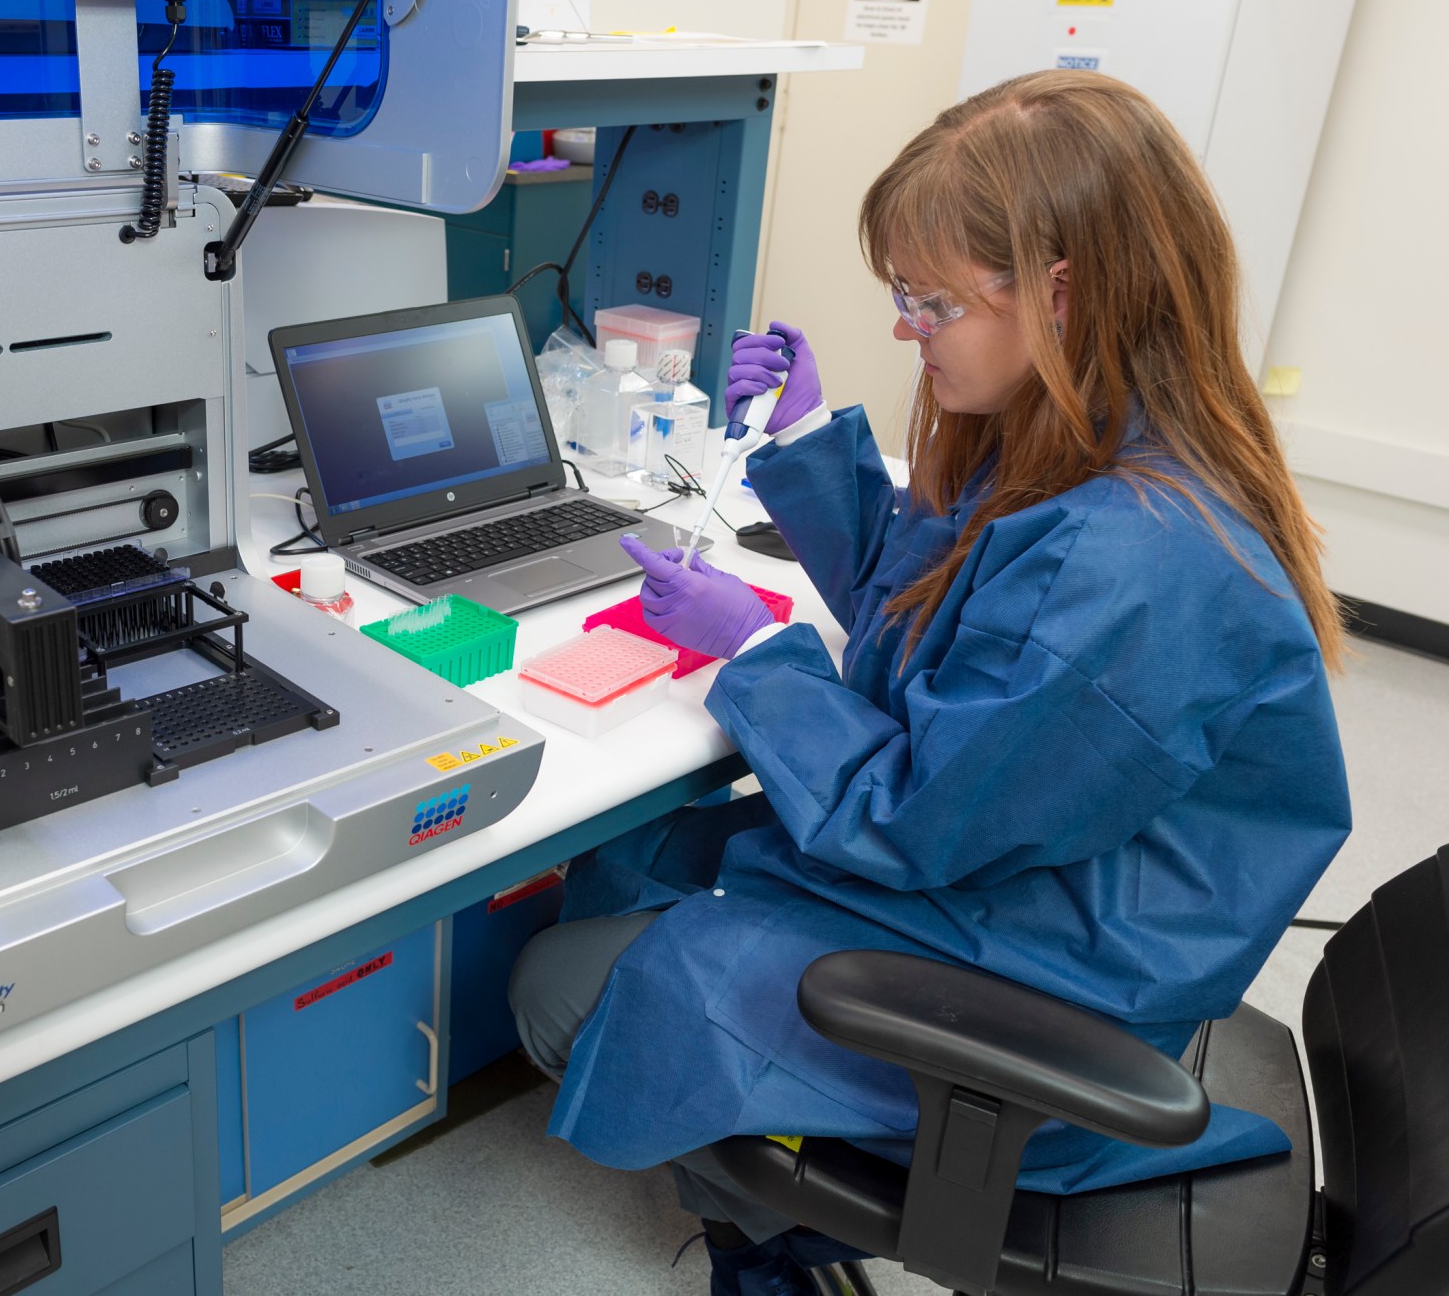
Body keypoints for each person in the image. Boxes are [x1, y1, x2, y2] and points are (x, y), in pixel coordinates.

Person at [509, 69, 1351, 1295]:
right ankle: (768, 1189)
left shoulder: (1139, 563)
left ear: (1060, 295)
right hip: (1028, 882)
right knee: (631, 859)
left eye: (930, 301)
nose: (905, 328)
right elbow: (948, 634)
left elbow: (910, 813)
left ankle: (775, 1245)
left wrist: (754, 646)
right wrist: (804, 444)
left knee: (563, 985)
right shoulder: (1092, 440)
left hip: (1052, 981)